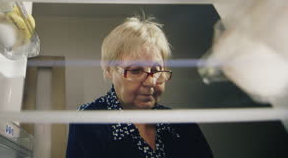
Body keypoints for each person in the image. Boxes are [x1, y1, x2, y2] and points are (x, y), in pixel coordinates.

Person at [66, 17, 213, 158]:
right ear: (108, 70)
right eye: (135, 70)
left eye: (156, 71)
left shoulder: (183, 124)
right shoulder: (89, 120)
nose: (151, 82)